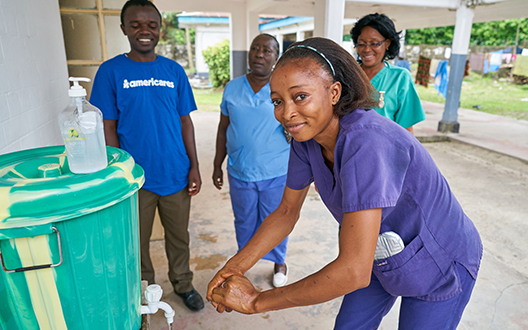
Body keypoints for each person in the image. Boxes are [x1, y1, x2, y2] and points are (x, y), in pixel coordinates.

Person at [207, 37, 482, 329]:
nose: (286, 113)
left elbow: (353, 271)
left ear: (334, 92)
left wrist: (256, 301)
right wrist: (233, 268)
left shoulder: (367, 142)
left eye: (300, 97)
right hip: (376, 251)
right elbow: (286, 212)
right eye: (277, 101)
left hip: (439, 260)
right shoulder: (307, 139)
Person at [90, 0, 204, 311]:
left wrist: (194, 166)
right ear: (124, 28)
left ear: (160, 28)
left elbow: (185, 121)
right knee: (135, 242)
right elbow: (108, 126)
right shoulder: (111, 71)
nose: (145, 31)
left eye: (151, 25)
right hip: (135, 178)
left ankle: (182, 283)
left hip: (175, 173)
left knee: (178, 237)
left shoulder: (173, 70)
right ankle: (143, 290)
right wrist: (120, 172)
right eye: (136, 25)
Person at [212, 34, 291, 288]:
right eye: (255, 49)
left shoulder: (284, 88)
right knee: (244, 220)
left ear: (276, 57)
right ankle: (241, 265)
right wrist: (217, 164)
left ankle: (279, 262)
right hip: (240, 171)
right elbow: (223, 127)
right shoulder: (232, 88)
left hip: (275, 171)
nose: (259, 54)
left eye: (267, 50)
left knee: (275, 220)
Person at [351, 13, 425, 135]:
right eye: (361, 43)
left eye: (374, 43)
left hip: (386, 151)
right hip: (348, 150)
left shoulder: (400, 78)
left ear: (387, 44)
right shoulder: (348, 75)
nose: (367, 49)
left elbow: (406, 129)